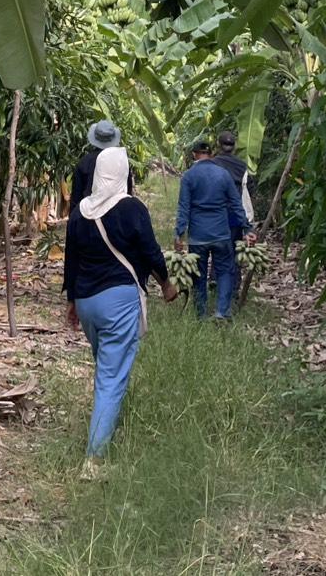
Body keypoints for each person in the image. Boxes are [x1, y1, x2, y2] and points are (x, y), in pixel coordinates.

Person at [64, 147, 177, 471]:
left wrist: (71, 302)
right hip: (119, 301)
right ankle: (94, 458)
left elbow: (71, 260)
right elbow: (151, 252)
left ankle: (109, 420)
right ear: (123, 173)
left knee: (105, 367)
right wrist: (166, 283)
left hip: (87, 302)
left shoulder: (80, 211)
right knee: (111, 377)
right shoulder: (131, 208)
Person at [174, 141, 251, 321]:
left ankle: (201, 314)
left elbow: (184, 208)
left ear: (194, 154)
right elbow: (236, 204)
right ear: (211, 154)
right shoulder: (223, 174)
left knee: (198, 274)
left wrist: (179, 233)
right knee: (225, 271)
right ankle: (222, 312)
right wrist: (247, 228)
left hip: (198, 235)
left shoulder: (189, 176)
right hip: (221, 233)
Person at [211, 129, 256, 292]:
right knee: (234, 250)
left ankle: (215, 278)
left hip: (216, 214)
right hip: (235, 215)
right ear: (234, 146)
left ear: (218, 145)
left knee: (218, 247)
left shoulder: (212, 164)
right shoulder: (242, 166)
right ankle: (234, 285)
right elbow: (248, 189)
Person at [68, 120, 135, 215]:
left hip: (89, 214)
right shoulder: (121, 162)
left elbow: (76, 197)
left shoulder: (84, 162)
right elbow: (127, 191)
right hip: (117, 212)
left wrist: (73, 218)